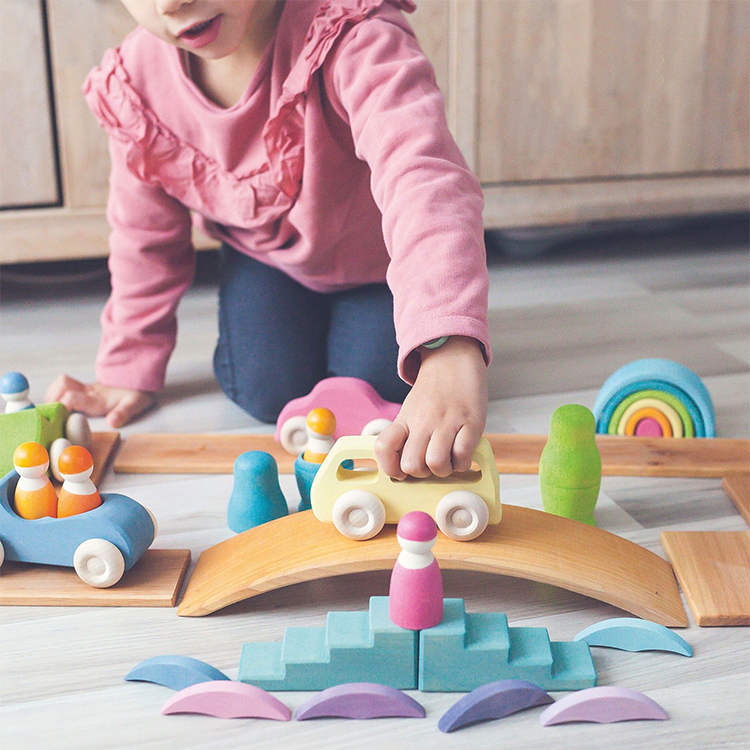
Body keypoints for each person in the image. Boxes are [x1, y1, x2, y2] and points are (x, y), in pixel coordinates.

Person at [46, 0, 491, 480]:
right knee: (265, 390)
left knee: (380, 383)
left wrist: (448, 344)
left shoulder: (354, 35)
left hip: (380, 267)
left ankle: (437, 311)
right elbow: (144, 238)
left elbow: (421, 179)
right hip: (270, 260)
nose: (171, 3)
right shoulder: (138, 81)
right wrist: (126, 368)